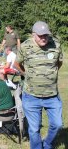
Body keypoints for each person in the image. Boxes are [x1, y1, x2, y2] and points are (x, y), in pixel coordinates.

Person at [14, 21, 63, 149]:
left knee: (57, 124)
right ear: (33, 35)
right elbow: (16, 64)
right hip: (31, 96)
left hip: (52, 96)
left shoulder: (56, 45)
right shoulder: (25, 46)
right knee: (34, 129)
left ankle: (47, 144)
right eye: (40, 35)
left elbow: (59, 63)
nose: (43, 38)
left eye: (46, 35)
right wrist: (26, 74)